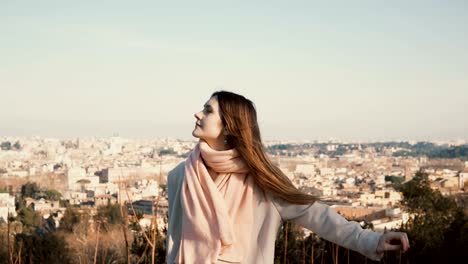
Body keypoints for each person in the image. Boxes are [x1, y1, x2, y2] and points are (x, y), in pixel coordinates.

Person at [166, 91, 410, 263]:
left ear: (229, 126)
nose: (197, 114)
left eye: (207, 110)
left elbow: (316, 215)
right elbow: (175, 243)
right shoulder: (181, 175)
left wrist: (372, 240)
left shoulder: (261, 179)